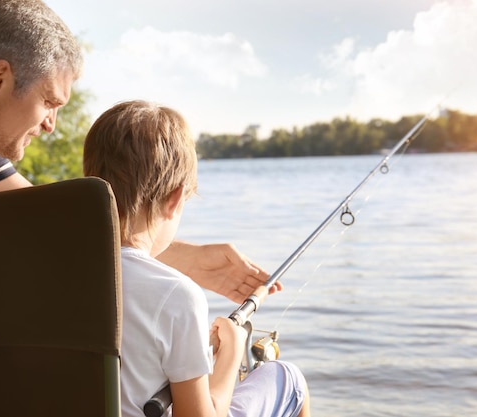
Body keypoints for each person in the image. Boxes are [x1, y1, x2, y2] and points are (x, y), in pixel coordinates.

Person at [0, 1, 277, 415]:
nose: (52, 124)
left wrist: (188, 259)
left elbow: (72, 226)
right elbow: (5, 240)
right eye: (50, 102)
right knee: (13, 287)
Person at [83, 100, 311, 417]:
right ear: (175, 199)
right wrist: (230, 352)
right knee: (287, 378)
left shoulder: (47, 270)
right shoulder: (177, 295)